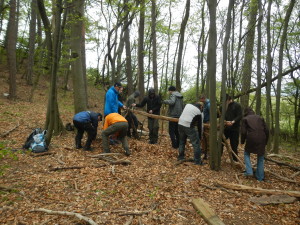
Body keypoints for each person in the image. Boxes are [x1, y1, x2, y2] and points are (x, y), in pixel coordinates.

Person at [241, 107, 269, 181]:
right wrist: (266, 141)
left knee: (246, 153)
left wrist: (242, 141)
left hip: (251, 138)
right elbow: (267, 130)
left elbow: (243, 132)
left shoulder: (245, 119)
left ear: (245, 113)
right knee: (260, 157)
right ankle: (260, 177)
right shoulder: (260, 118)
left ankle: (249, 171)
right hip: (262, 138)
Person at [224, 94, 242, 161]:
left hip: (235, 129)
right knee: (220, 142)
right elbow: (219, 114)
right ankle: (218, 157)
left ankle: (235, 160)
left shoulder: (237, 105)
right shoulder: (224, 106)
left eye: (225, 101)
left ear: (229, 99)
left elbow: (240, 116)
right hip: (226, 128)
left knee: (234, 145)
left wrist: (233, 122)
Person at [199, 94, 210, 159]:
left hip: (208, 122)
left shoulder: (208, 104)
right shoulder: (205, 104)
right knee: (203, 137)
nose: (201, 101)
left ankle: (208, 152)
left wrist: (209, 122)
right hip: (204, 122)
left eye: (201, 100)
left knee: (207, 137)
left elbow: (212, 114)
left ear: (203, 98)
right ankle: (204, 151)